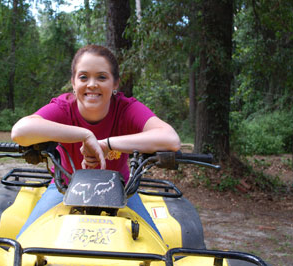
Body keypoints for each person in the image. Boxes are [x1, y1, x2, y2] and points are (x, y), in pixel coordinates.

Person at [11, 44, 181, 238]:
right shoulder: (64, 108)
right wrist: (85, 135)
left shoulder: (126, 109)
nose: (92, 84)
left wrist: (106, 144)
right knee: (26, 245)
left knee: (155, 251)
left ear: (115, 83)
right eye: (83, 77)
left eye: (101, 77)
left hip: (121, 191)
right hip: (64, 188)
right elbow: (20, 131)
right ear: (73, 83)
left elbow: (170, 138)